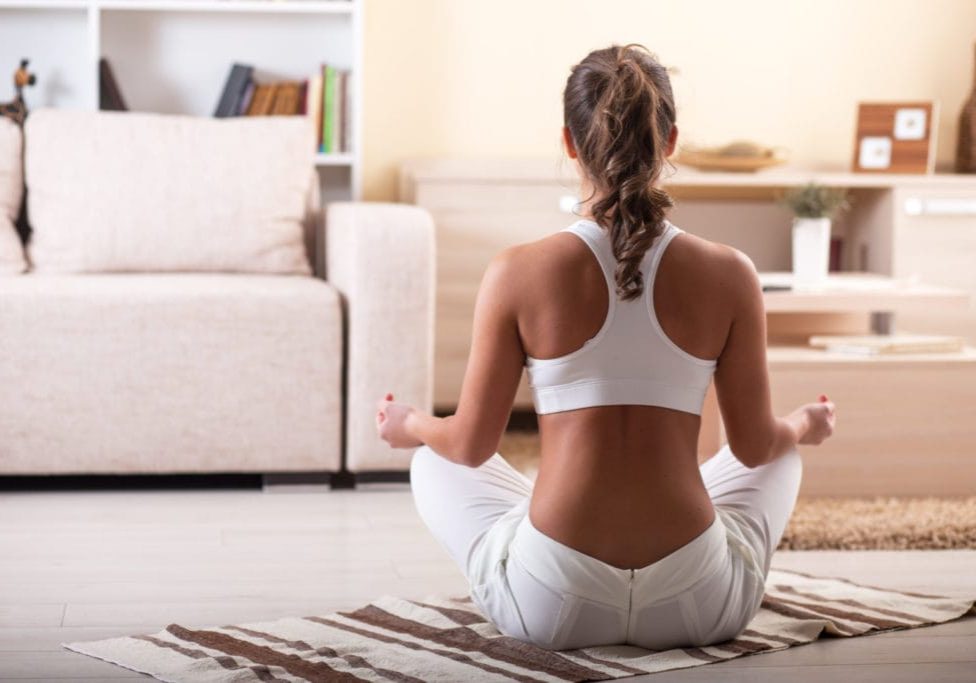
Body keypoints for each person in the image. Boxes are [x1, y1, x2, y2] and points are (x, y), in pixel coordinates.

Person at [375, 43, 836, 651]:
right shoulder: (732, 273)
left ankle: (527, 536)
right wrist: (803, 423)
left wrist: (411, 423)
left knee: (434, 457)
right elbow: (753, 447)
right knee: (782, 454)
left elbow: (469, 445)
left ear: (569, 143)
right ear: (670, 141)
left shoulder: (518, 270)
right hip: (696, 602)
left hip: (552, 604)